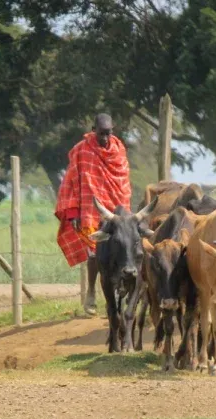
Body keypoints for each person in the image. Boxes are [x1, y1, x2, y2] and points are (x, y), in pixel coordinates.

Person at [55, 113, 132, 315]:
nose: (105, 138)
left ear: (112, 131)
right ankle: (90, 292)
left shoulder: (119, 150)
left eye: (108, 133)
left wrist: (125, 214)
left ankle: (118, 292)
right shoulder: (82, 150)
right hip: (90, 211)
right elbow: (71, 182)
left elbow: (123, 182)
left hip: (117, 209)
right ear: (93, 130)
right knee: (94, 253)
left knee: (122, 248)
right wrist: (73, 212)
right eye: (101, 133)